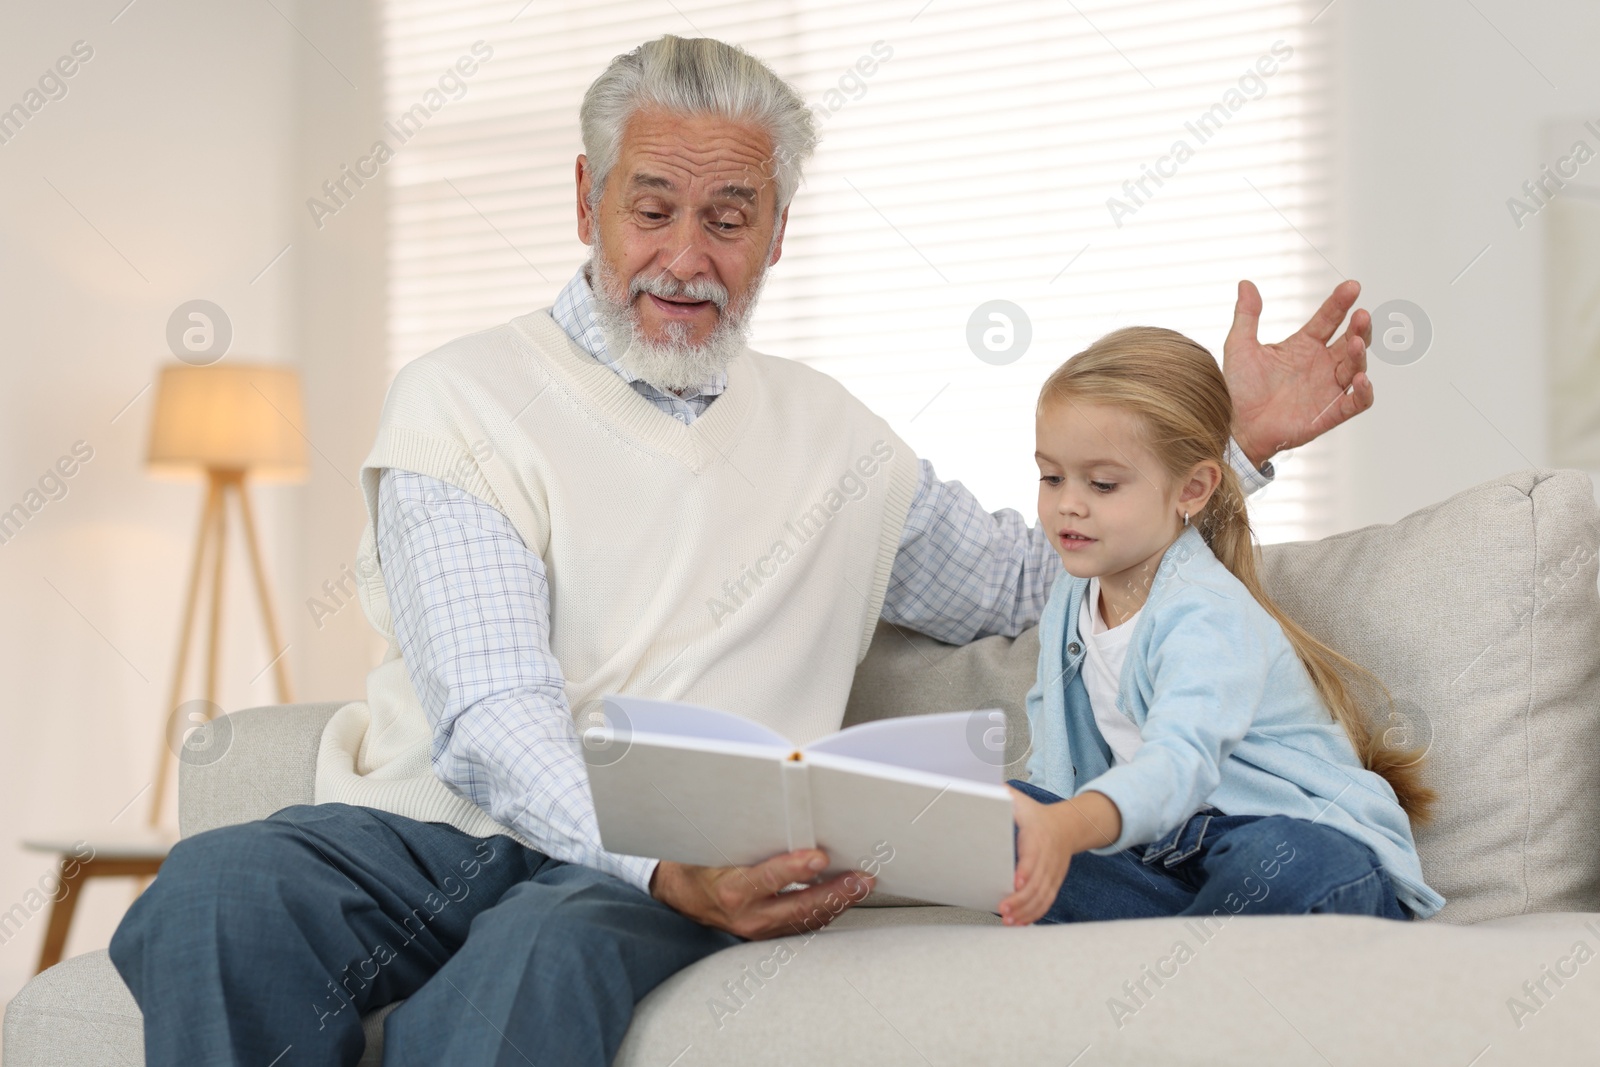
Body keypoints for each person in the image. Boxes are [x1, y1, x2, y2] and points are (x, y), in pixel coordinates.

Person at [110, 35, 1378, 1067]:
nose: (685, 257)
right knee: (223, 885)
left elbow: (1029, 575)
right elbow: (493, 722)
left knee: (530, 963)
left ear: (777, 231)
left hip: (693, 852)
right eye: (651, 207)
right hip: (442, 827)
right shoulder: (463, 398)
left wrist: (1237, 448)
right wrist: (662, 862)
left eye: (729, 216)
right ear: (585, 201)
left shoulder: (837, 442)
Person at [1001, 327, 1442, 929]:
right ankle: (1192, 945)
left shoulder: (1204, 610)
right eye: (1052, 477)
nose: (1067, 504)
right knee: (997, 814)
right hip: (1164, 863)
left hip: (1286, 843)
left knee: (1285, 864)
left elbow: (1181, 762)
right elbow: (1054, 758)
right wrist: (1042, 832)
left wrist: (1070, 824)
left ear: (1193, 489)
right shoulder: (1070, 596)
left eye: (1102, 484)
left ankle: (1180, 945)